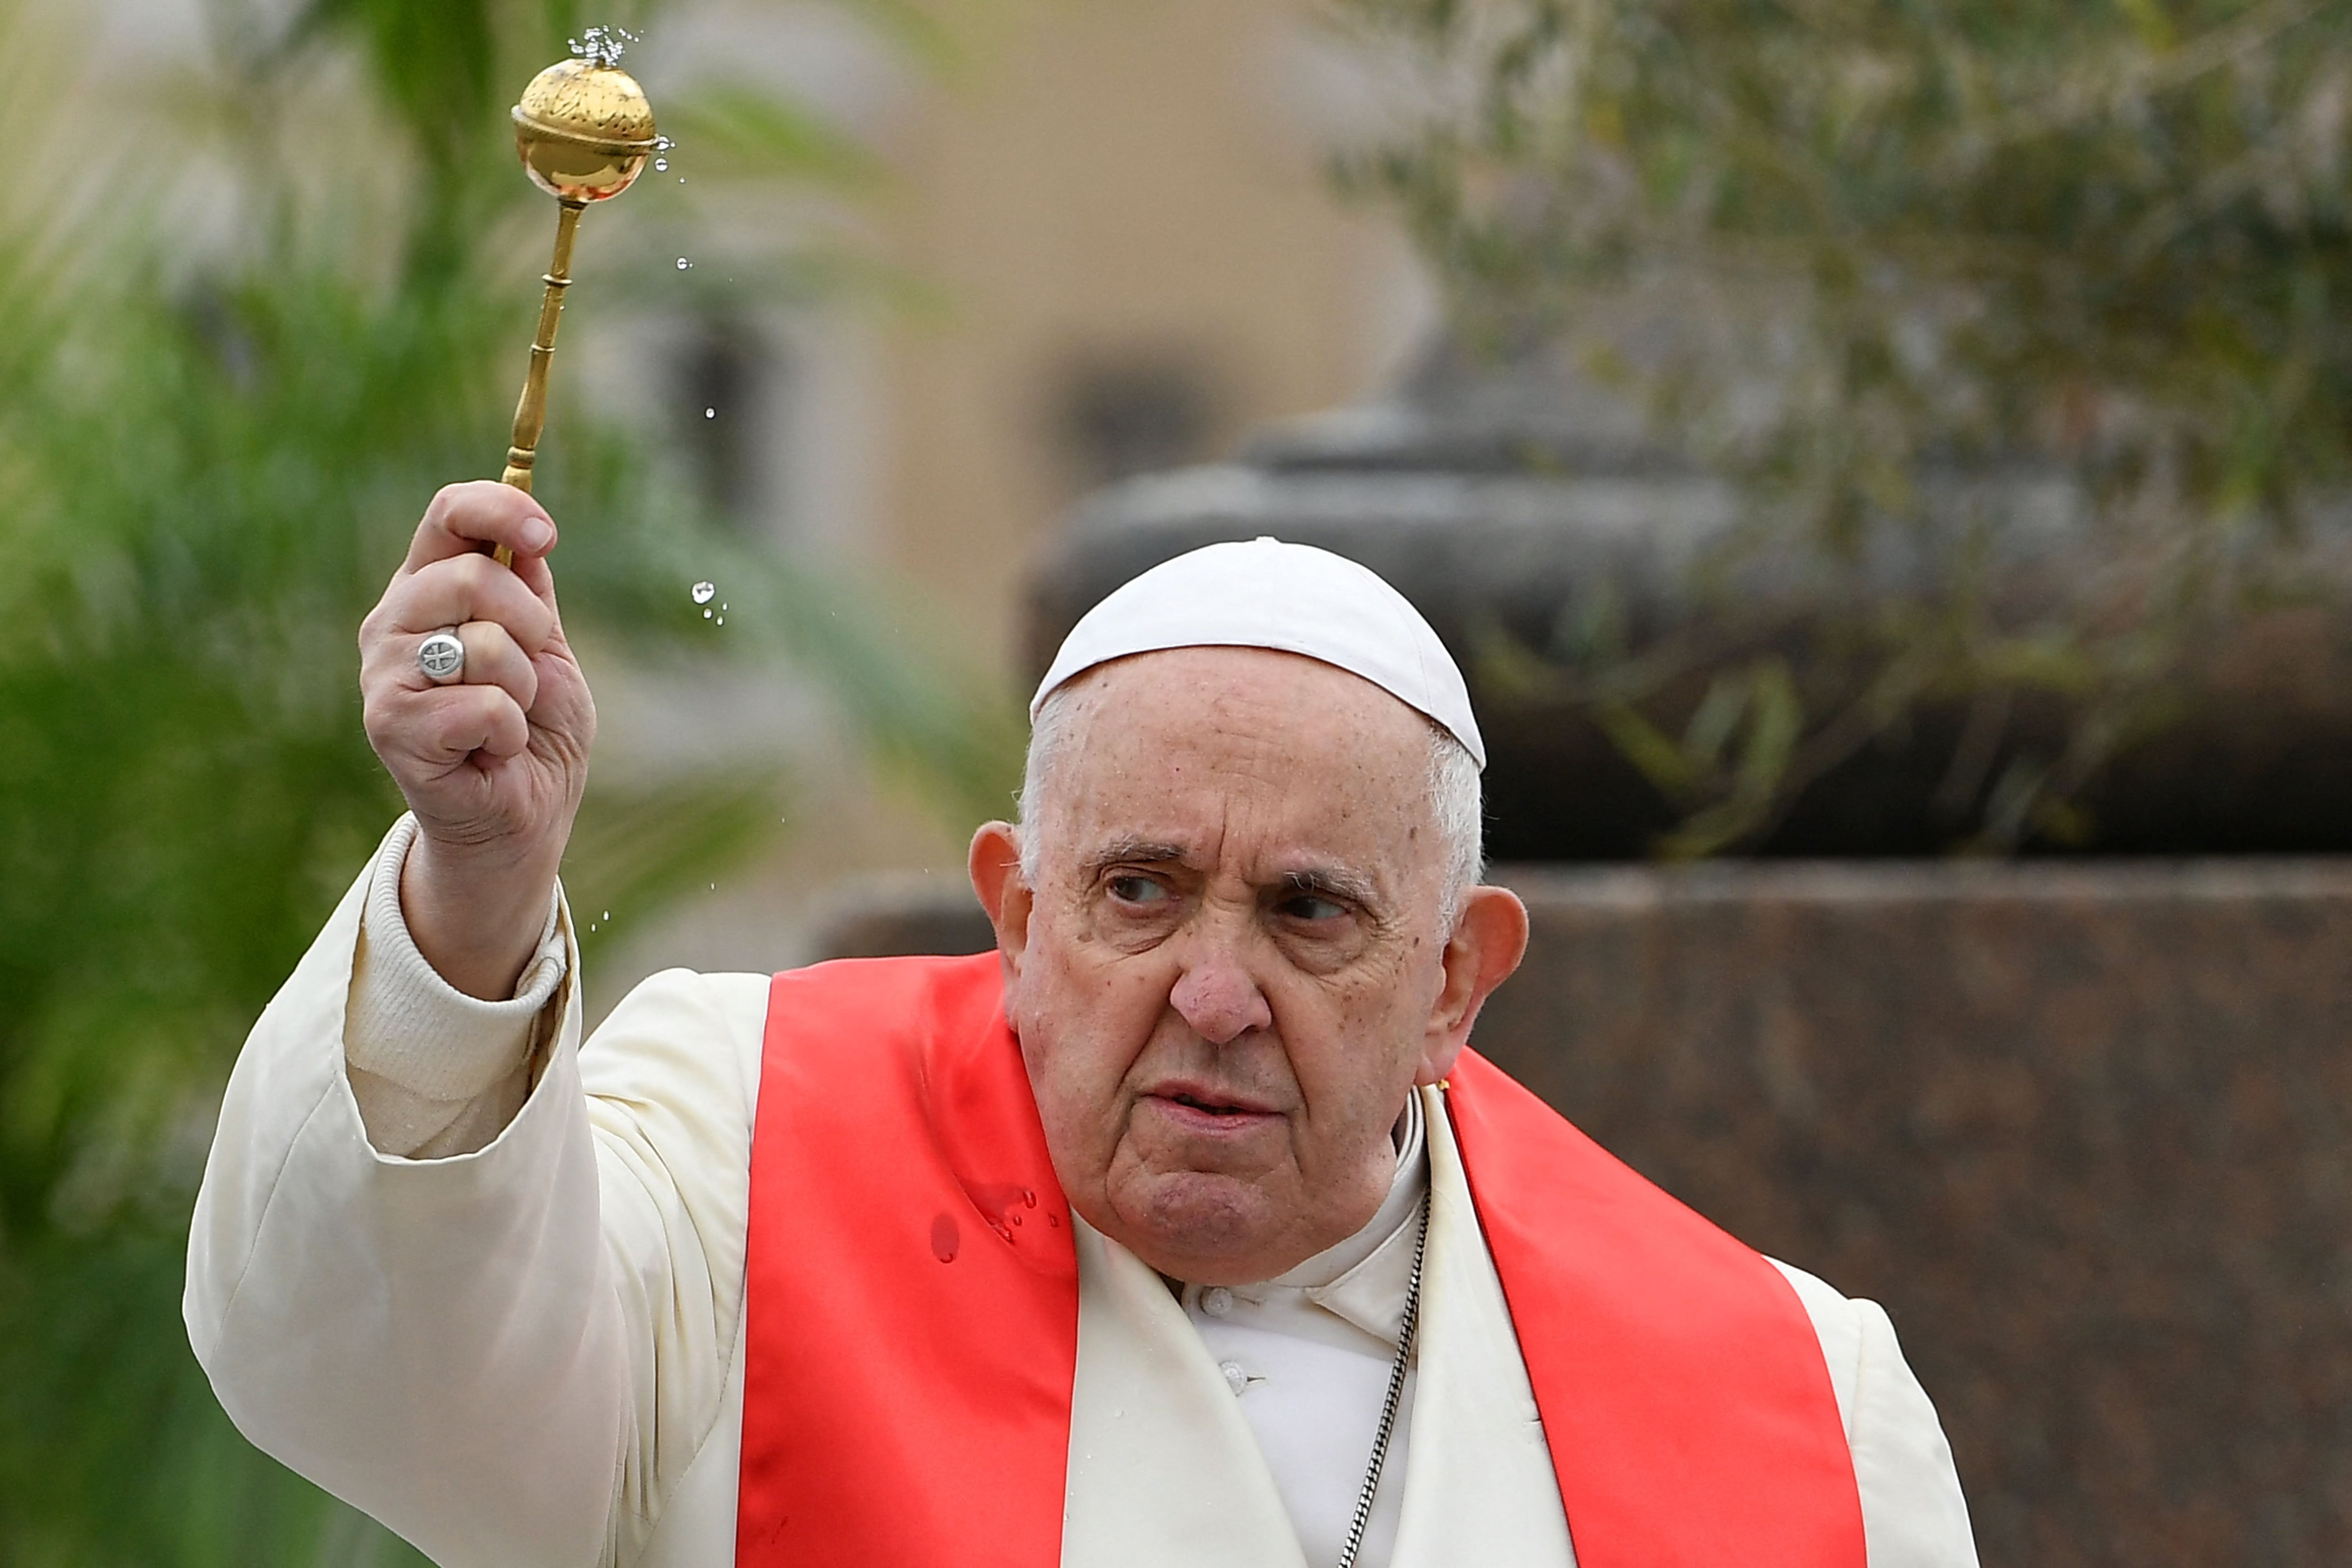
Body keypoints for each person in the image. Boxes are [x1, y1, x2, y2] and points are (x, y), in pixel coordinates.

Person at [186, 482, 1979, 1568]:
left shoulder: (1796, 1408)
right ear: (1020, 915)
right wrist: (480, 888)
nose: (1212, 997)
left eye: (1307, 912)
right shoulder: (739, 1158)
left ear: (1455, 980)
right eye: (1137, 892)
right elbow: (372, 1361)